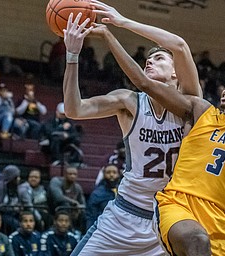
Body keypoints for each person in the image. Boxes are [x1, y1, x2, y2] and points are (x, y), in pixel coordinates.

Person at [87, 3, 225, 255]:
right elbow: (143, 82)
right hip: (177, 204)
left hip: (219, 218)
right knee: (197, 240)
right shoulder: (201, 110)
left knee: (204, 242)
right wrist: (111, 34)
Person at [63, 1, 202, 254]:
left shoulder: (190, 103)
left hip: (167, 220)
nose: (149, 62)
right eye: (147, 60)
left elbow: (179, 45)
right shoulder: (129, 102)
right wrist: (72, 56)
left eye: (159, 58)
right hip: (123, 216)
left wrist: (121, 22)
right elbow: (74, 110)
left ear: (176, 74)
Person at [47, 165, 86, 233]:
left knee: (84, 213)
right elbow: (58, 197)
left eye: (74, 174)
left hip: (72, 212)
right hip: (53, 210)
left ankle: (80, 232)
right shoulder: (56, 181)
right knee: (65, 204)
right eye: (70, 174)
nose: (72, 176)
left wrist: (78, 209)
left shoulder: (77, 187)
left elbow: (83, 204)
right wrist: (73, 202)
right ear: (65, 175)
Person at [85, 164, 119, 229]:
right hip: (103, 227)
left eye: (114, 172)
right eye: (108, 172)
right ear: (104, 175)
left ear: (118, 174)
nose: (111, 175)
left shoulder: (123, 191)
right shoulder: (97, 193)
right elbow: (91, 216)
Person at [0, 165, 21, 235]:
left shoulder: (15, 188)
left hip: (12, 213)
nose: (19, 179)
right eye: (16, 177)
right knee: (15, 224)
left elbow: (18, 202)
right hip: (0, 214)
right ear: (11, 177)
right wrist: (13, 208)